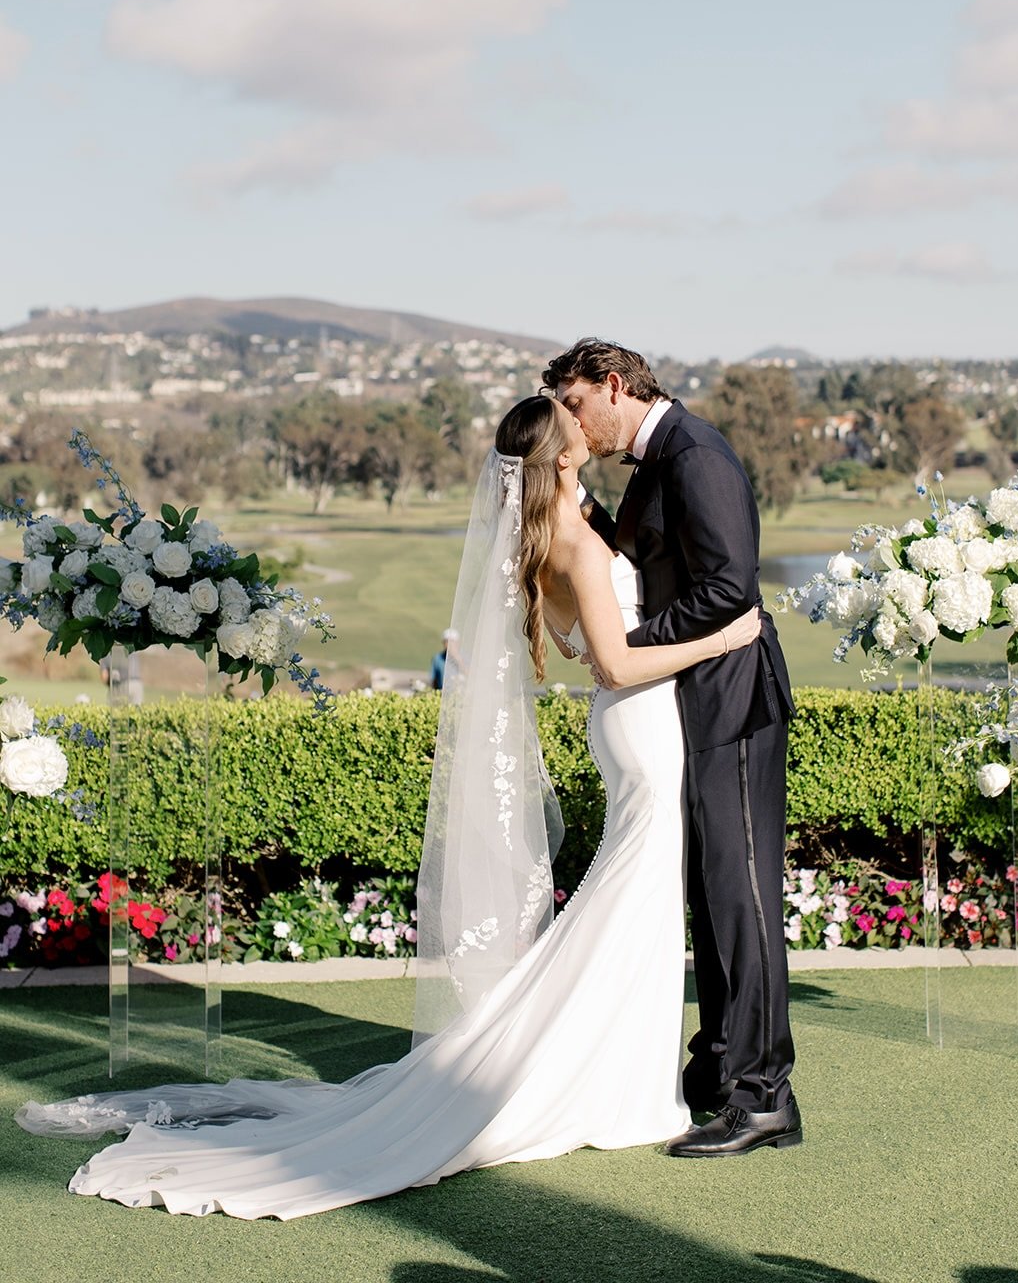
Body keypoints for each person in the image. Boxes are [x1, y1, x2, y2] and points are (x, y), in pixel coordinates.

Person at [15, 396, 763, 1219]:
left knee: (631, 900)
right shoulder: (581, 546)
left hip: (622, 729)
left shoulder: (549, 539)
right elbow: (615, 664)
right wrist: (725, 638)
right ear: (559, 458)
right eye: (572, 423)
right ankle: (614, 1087)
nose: (584, 427)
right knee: (634, 899)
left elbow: (579, 645)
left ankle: (624, 1076)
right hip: (642, 724)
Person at [547, 337, 800, 1157]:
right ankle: (720, 1069)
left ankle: (765, 1097)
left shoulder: (695, 457)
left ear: (613, 386)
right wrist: (573, 503)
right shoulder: (655, 463)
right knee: (710, 894)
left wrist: (627, 645)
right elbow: (641, 563)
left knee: (741, 895)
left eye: (576, 404)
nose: (573, 422)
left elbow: (730, 590)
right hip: (691, 701)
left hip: (733, 701)